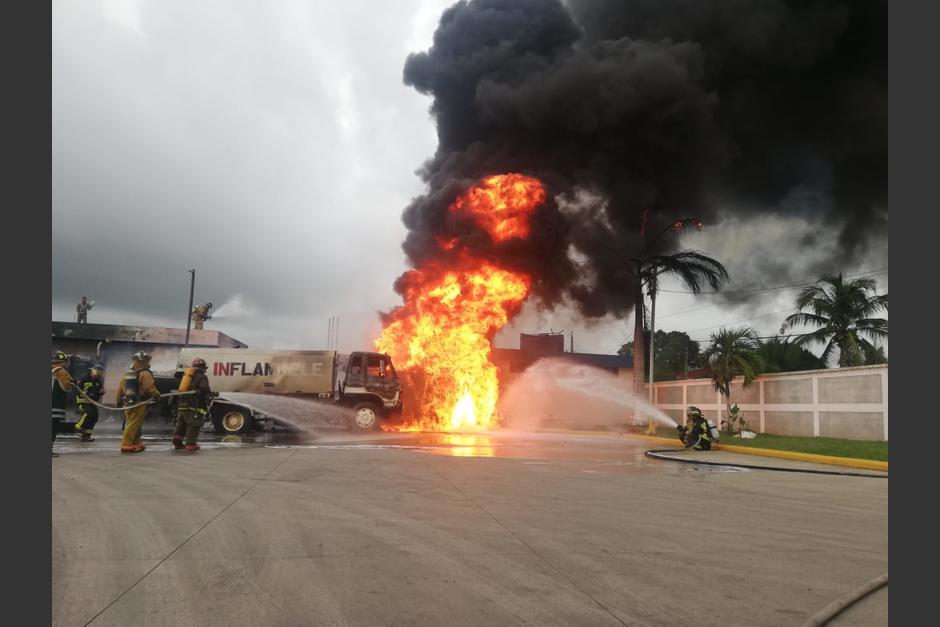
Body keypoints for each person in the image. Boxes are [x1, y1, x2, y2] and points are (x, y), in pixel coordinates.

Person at [116, 351, 161, 453]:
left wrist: (118, 401)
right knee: (134, 424)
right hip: (139, 403)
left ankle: (136, 443)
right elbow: (149, 388)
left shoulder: (127, 374)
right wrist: (157, 396)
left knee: (134, 424)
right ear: (146, 360)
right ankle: (126, 444)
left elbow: (120, 389)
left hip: (127, 403)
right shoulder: (145, 373)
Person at [172, 358, 213, 452]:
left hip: (182, 405)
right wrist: (209, 393)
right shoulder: (202, 376)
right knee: (193, 425)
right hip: (194, 405)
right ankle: (191, 444)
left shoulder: (187, 376)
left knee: (181, 425)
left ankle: (177, 443)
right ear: (204, 367)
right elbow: (204, 388)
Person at [51, 351, 75, 457]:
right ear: (64, 362)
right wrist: (72, 384)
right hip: (55, 404)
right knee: (53, 427)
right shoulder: (61, 371)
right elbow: (66, 387)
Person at [74, 363, 105, 442]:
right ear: (92, 371)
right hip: (83, 401)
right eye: (97, 372)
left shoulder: (98, 381)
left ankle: (86, 435)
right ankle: (78, 427)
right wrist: (88, 394)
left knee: (94, 416)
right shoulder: (85, 379)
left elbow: (100, 390)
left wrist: (101, 392)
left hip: (92, 402)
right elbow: (78, 390)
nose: (97, 376)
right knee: (87, 414)